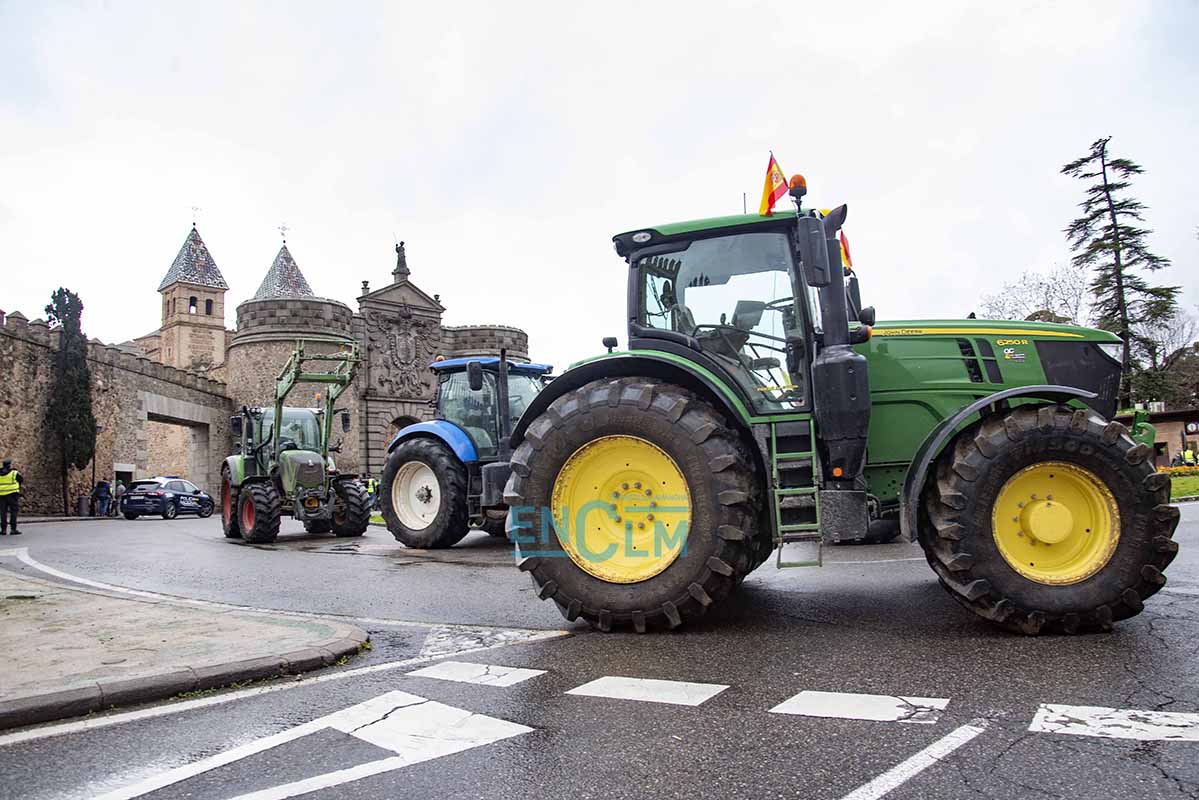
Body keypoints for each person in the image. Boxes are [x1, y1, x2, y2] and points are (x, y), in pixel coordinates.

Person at [0, 458, 23, 536]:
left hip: (1, 496)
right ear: (9, 465)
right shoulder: (14, 473)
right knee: (13, 512)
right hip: (13, 495)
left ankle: (3, 530)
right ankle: (13, 529)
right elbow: (21, 480)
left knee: (3, 512)